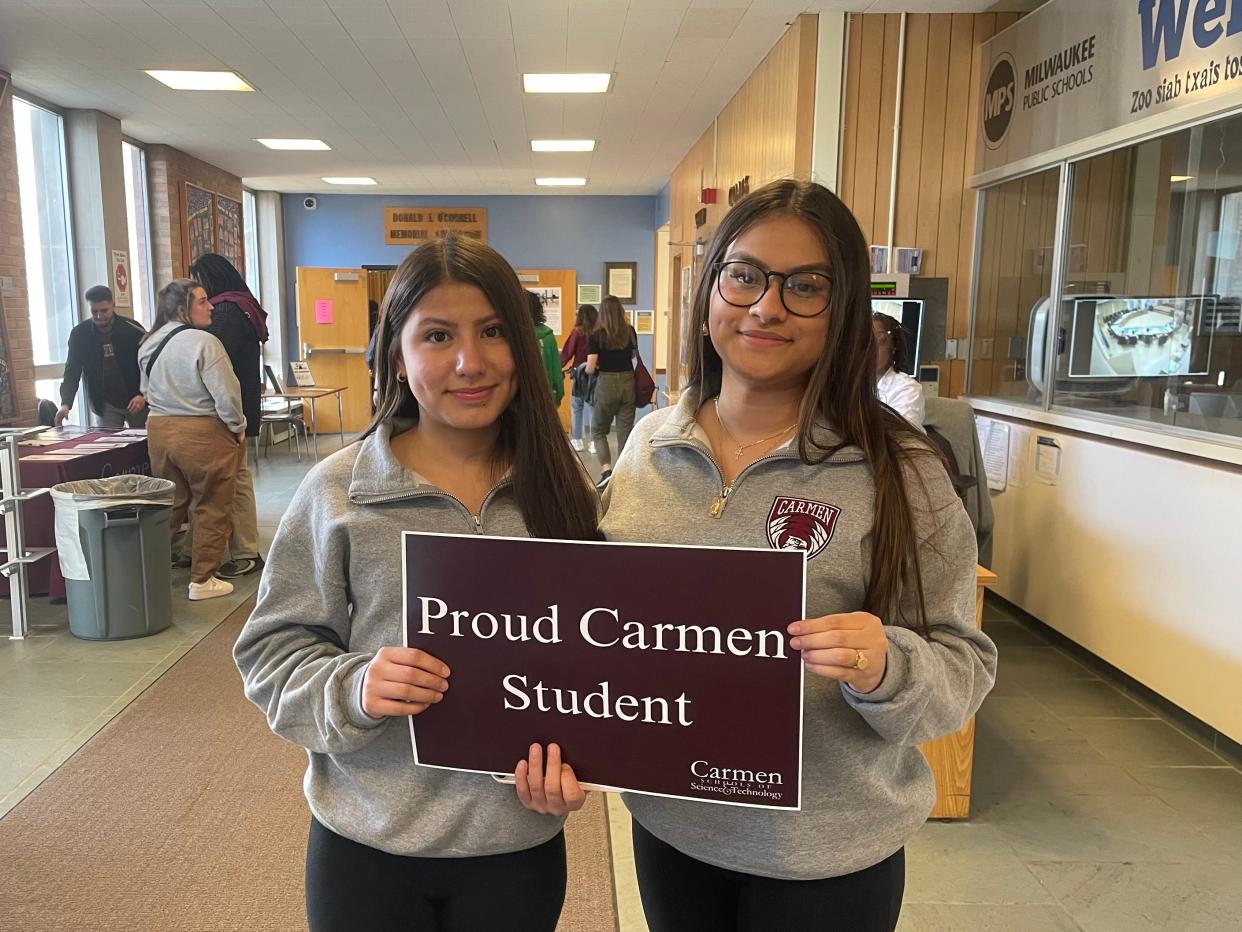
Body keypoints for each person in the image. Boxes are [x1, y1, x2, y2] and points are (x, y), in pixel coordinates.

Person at [600, 180, 997, 932]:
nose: (766, 306)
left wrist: (888, 665)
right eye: (744, 275)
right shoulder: (648, 446)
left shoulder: (900, 471)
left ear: (842, 309)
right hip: (672, 828)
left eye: (805, 286)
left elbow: (964, 665)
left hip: (827, 854)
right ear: (711, 287)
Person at [234, 234, 600, 931]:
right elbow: (271, 654)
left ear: (524, 348)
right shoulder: (339, 492)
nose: (471, 361)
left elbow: (602, 661)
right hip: (368, 843)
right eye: (437, 335)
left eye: (494, 332)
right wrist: (355, 687)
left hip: (517, 843)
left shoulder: (566, 488)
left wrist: (586, 759)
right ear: (397, 356)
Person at [139, 280, 246, 602]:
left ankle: (150, 573)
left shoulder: (148, 342)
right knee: (212, 504)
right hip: (201, 431)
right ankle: (202, 579)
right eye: (202, 301)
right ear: (182, 309)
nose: (211, 305)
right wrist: (237, 425)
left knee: (169, 505)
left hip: (159, 430)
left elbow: (145, 391)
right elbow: (225, 391)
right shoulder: (204, 342)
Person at [188, 254, 266, 578]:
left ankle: (246, 552)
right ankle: (243, 550)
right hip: (240, 405)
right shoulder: (243, 304)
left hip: (231, 410)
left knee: (235, 481)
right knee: (238, 478)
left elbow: (211, 358)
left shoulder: (227, 311)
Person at [56, 285, 147, 429]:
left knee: (143, 445)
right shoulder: (79, 335)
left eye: (104, 311)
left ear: (113, 306)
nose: (99, 316)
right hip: (105, 403)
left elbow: (150, 366)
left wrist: (144, 394)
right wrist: (65, 404)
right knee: (110, 446)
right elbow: (72, 371)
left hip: (136, 399)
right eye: (94, 311)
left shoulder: (133, 330)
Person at [586, 295, 638, 487]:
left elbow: (590, 368)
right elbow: (632, 355)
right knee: (625, 431)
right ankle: (623, 474)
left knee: (598, 430)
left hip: (606, 382)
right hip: (627, 381)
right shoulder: (629, 331)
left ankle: (606, 470)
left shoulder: (596, 335)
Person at [873, 312, 925, 431]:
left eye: (878, 340)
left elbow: (903, 438)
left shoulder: (907, 389)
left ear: (893, 346)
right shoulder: (847, 386)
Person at [560, 303, 597, 451]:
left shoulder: (577, 332)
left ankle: (577, 440)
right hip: (596, 373)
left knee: (577, 407)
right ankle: (595, 442)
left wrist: (559, 366)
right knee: (594, 407)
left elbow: (567, 353)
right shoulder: (599, 333)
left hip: (579, 373)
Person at [528, 291, 564, 407]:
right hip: (545, 400)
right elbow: (556, 374)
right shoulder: (548, 336)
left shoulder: (511, 337)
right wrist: (557, 397)